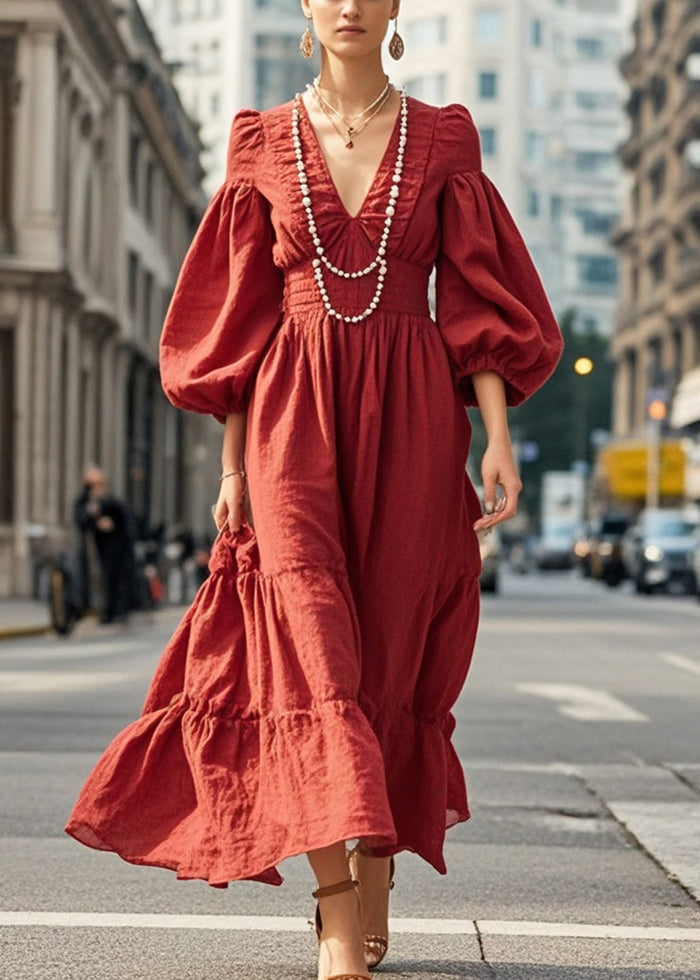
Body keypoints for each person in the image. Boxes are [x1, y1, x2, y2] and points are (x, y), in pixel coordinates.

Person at [65, 3, 563, 978]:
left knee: (387, 646)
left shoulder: (446, 136)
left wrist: (497, 438)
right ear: (304, 6)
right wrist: (227, 465)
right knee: (309, 648)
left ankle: (370, 876)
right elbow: (238, 319)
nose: (345, 1)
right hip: (291, 416)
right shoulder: (258, 141)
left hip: (417, 415)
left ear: (391, 8)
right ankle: (338, 906)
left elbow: (473, 292)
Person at [73, 467, 136, 625]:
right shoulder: (84, 501)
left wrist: (109, 521)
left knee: (114, 579)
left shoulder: (112, 501)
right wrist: (95, 522)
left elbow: (124, 518)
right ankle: (93, 608)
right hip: (93, 549)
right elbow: (80, 519)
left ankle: (115, 611)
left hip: (114, 548)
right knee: (98, 580)